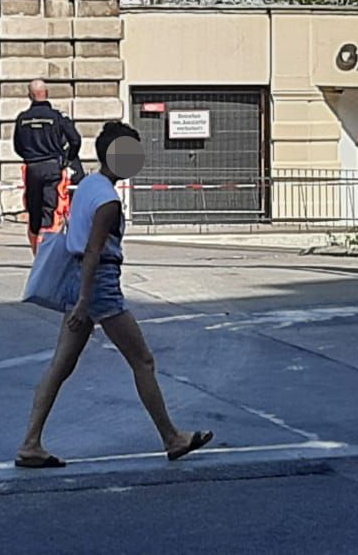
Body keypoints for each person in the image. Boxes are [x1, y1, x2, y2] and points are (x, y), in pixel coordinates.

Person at [16, 121, 213, 469]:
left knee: (60, 366)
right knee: (143, 360)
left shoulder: (89, 184)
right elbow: (93, 251)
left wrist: (79, 298)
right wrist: (84, 302)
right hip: (98, 283)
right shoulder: (108, 200)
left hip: (81, 279)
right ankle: (171, 437)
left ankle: (30, 443)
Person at [14, 79, 83, 254]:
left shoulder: (22, 119)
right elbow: (75, 139)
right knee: (50, 211)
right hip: (52, 167)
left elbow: (17, 146)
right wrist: (68, 160)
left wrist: (30, 157)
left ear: (29, 95)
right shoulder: (57, 117)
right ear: (47, 93)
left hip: (32, 168)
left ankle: (37, 253)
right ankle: (47, 254)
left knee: (34, 212)